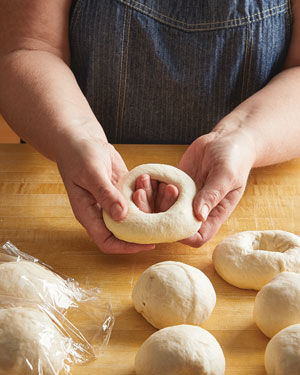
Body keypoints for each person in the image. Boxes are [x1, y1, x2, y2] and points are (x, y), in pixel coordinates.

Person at [0, 0, 300, 254]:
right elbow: (28, 47)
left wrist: (243, 138)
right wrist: (75, 135)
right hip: (72, 173)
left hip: (253, 173)